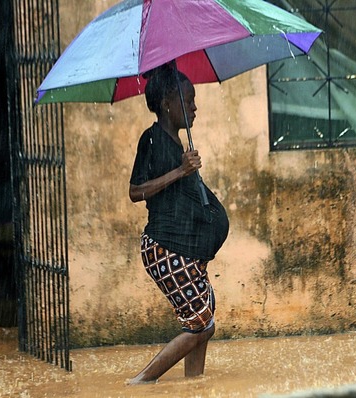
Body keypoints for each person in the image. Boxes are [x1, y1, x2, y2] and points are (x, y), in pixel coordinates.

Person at [127, 64, 230, 384]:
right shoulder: (152, 140)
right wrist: (180, 171)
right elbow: (135, 192)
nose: (194, 107)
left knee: (205, 320)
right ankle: (141, 382)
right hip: (167, 247)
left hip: (186, 249)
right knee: (200, 325)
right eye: (188, 101)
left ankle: (194, 384)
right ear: (168, 104)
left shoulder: (176, 145)